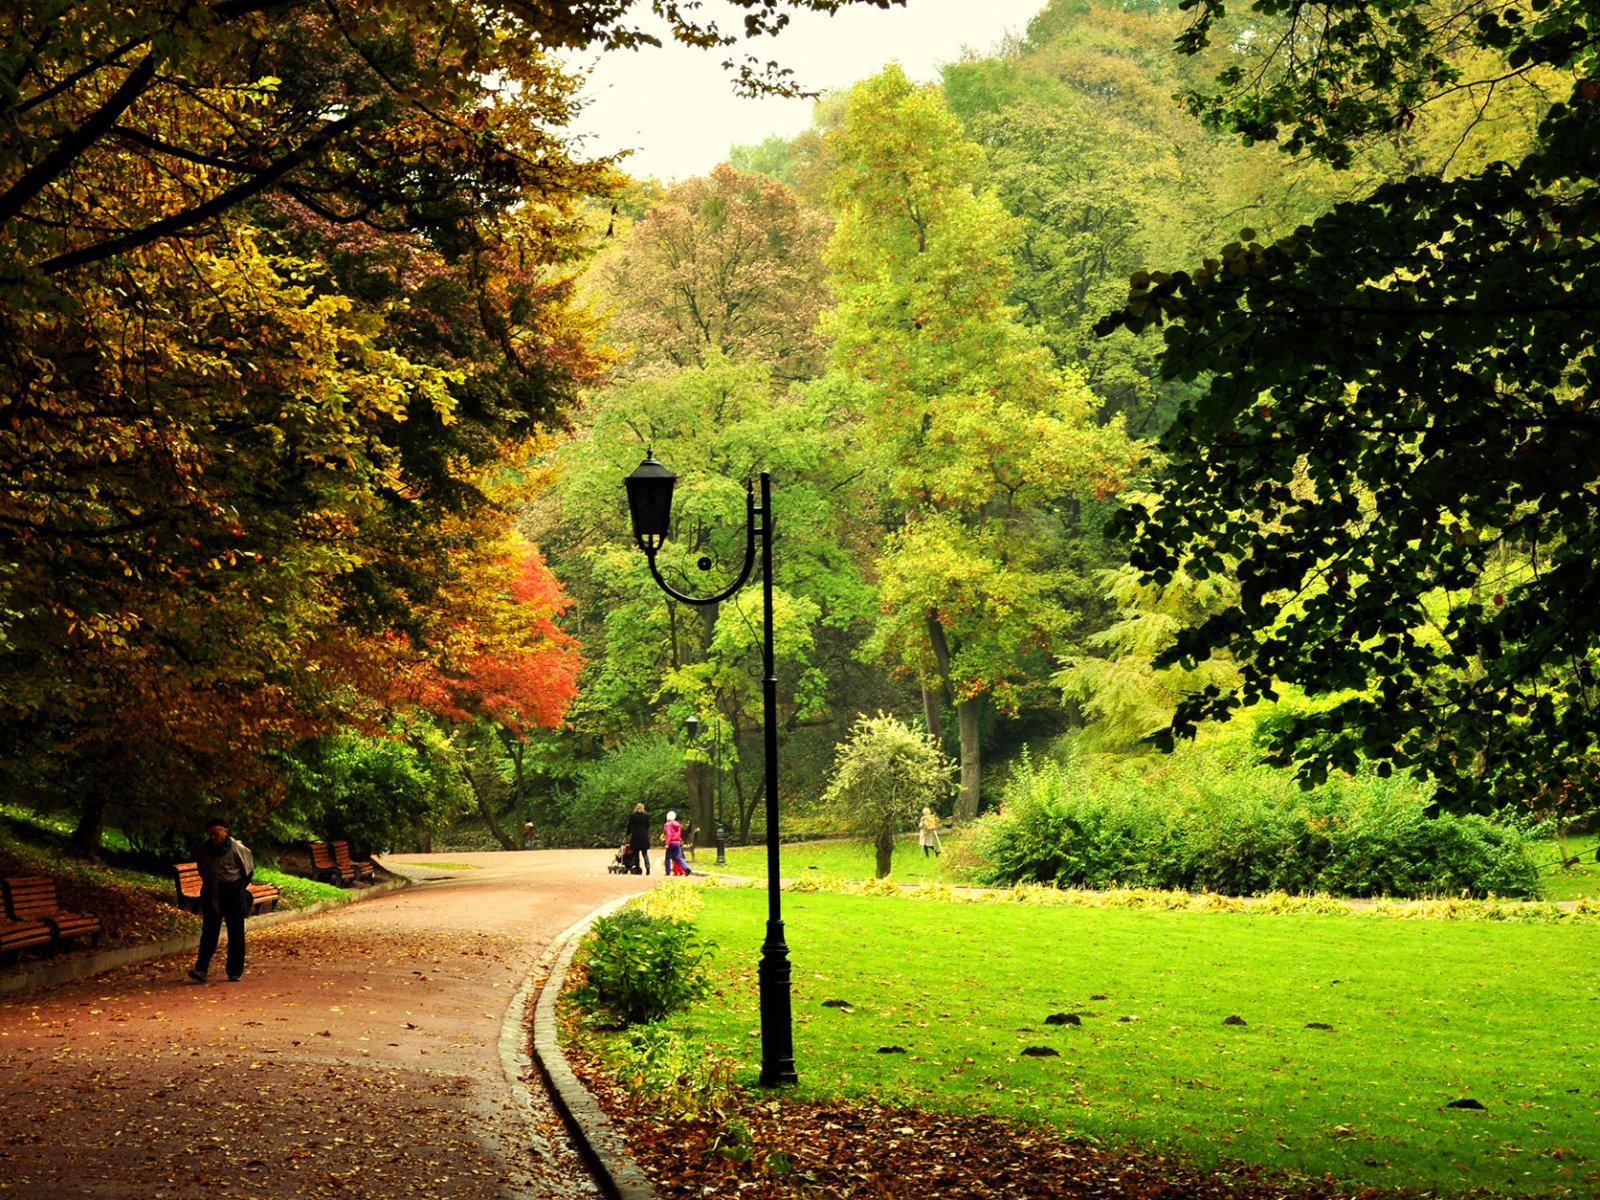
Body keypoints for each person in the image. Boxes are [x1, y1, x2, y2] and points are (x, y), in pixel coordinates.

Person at [187, 817, 254, 983]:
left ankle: (234, 971)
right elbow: (202, 870)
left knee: (236, 934)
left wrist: (237, 888)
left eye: (216, 834)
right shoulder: (203, 849)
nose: (213, 838)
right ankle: (201, 969)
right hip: (211, 893)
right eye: (210, 834)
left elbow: (248, 871)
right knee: (209, 932)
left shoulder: (237, 848)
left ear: (225, 831)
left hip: (232, 893)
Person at [626, 802, 652, 876]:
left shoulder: (633, 816)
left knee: (636, 854)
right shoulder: (646, 816)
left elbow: (630, 826)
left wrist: (627, 833)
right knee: (645, 853)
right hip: (644, 836)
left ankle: (637, 868)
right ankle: (647, 866)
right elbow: (647, 825)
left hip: (635, 836)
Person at [662, 809, 691, 877]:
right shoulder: (678, 825)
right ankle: (686, 868)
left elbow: (669, 834)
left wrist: (667, 843)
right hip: (677, 842)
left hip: (671, 842)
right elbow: (678, 834)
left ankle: (668, 871)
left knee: (667, 857)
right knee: (679, 857)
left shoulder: (667, 824)